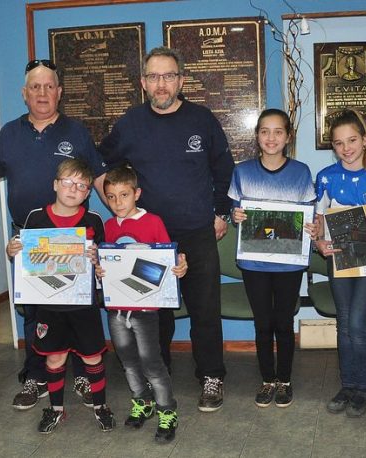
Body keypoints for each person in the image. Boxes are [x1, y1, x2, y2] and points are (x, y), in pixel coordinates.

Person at [98, 46, 234, 412]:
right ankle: (158, 376)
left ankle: (210, 377)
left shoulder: (202, 120)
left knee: (205, 311)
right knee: (152, 315)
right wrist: (114, 204)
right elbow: (102, 161)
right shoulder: (130, 124)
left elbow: (224, 170)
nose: (161, 84)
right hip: (146, 241)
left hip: (196, 233)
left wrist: (222, 211)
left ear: (181, 80)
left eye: (169, 76)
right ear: (143, 83)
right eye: (154, 77)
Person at [0, 59, 107, 410]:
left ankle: (83, 376)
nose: (42, 93)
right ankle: (36, 376)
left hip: (75, 239)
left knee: (79, 306)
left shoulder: (77, 131)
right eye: (35, 87)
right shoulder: (9, 133)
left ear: (59, 93)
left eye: (49, 86)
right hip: (30, 240)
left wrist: (123, 216)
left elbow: (98, 178)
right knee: (35, 311)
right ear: (24, 94)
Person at [5, 158, 114, 433]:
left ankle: (101, 406)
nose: (73, 189)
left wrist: (96, 257)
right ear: (55, 184)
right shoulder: (35, 218)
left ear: (88, 192)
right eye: (67, 182)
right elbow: (23, 253)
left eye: (81, 185)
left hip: (83, 306)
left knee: (93, 358)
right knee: (54, 359)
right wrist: (12, 251)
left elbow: (105, 264)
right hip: (49, 306)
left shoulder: (93, 220)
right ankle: (55, 410)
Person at [228, 109, 316, 408]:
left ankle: (285, 379)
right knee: (263, 323)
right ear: (257, 136)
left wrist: (312, 226)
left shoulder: (301, 172)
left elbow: (309, 215)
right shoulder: (242, 172)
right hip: (254, 262)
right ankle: (267, 380)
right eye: (265, 131)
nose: (271, 138)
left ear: (288, 137)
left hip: (289, 262)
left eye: (278, 132)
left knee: (283, 321)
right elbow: (235, 212)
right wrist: (235, 215)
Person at [95, 163, 187, 442]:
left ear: (137, 193)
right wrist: (100, 271)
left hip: (147, 308)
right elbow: (108, 263)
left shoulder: (153, 222)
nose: (117, 202)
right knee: (128, 360)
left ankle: (167, 410)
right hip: (117, 308)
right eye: (111, 197)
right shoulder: (109, 226)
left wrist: (179, 265)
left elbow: (170, 259)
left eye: (123, 195)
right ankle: (142, 402)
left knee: (151, 362)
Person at [314, 109, 366, 417]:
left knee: (359, 324)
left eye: (351, 140)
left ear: (364, 140)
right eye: (338, 143)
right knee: (344, 322)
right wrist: (318, 242)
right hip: (340, 259)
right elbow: (317, 219)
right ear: (332, 146)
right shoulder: (326, 177)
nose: (346, 148)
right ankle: (347, 385)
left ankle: (360, 388)